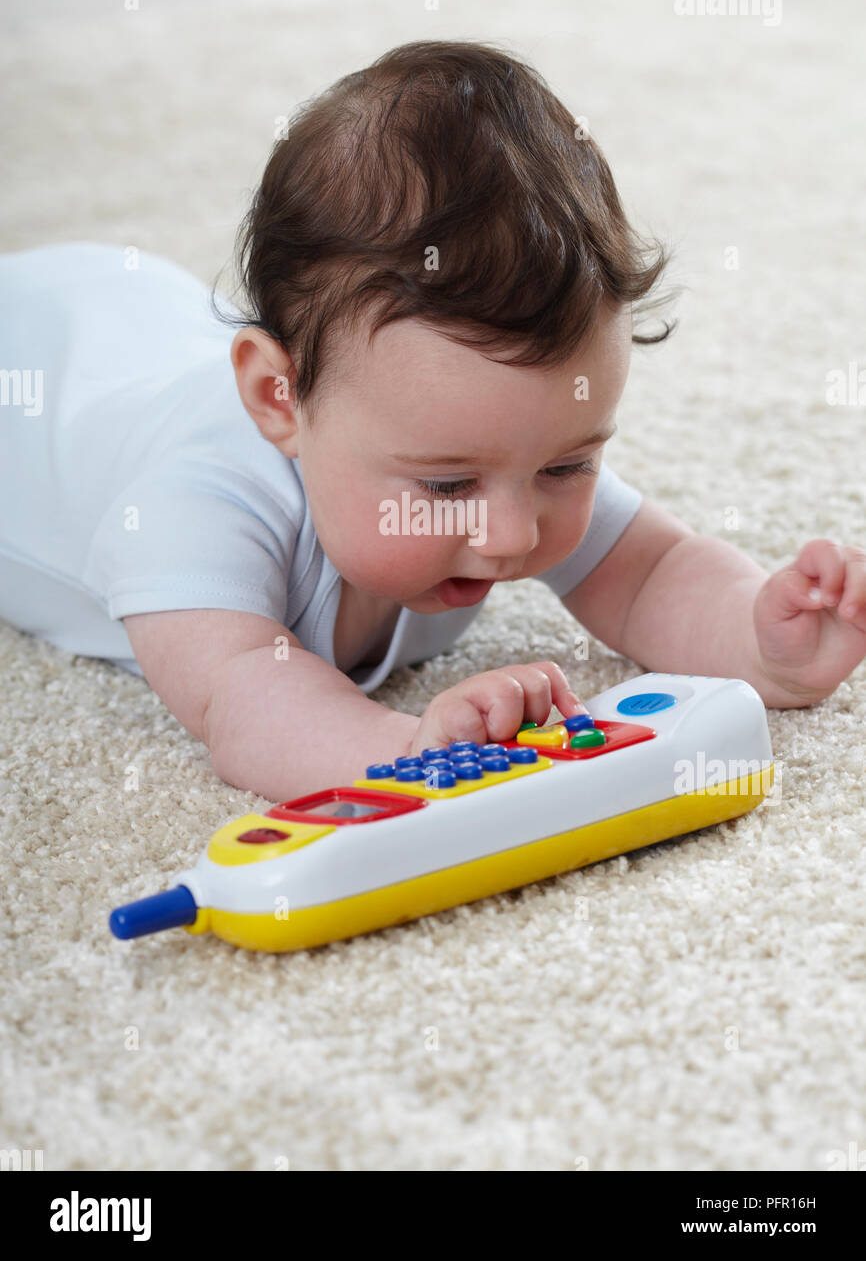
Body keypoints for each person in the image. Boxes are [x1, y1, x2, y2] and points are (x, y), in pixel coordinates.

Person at [1, 40, 863, 805]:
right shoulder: (192, 508)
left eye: (567, 468)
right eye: (448, 485)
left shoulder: (497, 445)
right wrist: (409, 750)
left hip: (158, 325)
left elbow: (651, 574)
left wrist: (763, 637)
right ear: (279, 400)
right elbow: (241, 699)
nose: (510, 533)